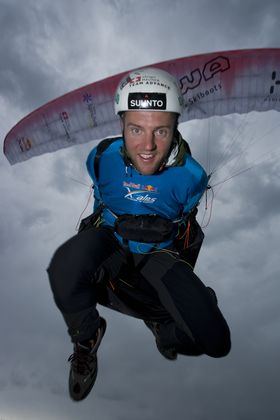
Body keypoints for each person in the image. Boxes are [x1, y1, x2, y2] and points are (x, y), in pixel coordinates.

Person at [47, 67, 231, 402]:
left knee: (215, 342)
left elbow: (187, 223)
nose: (147, 146)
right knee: (64, 266)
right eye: (135, 129)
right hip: (111, 240)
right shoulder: (101, 158)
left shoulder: (192, 177)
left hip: (159, 253)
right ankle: (87, 338)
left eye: (160, 130)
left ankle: (164, 331)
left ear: (175, 125)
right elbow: (100, 200)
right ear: (121, 124)